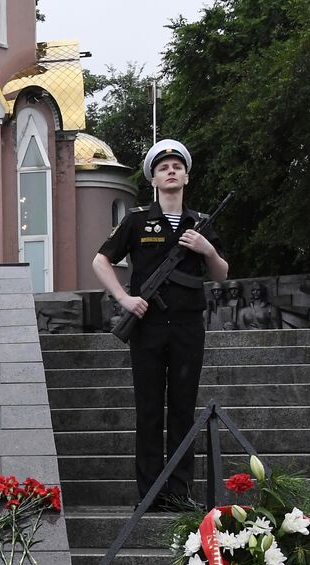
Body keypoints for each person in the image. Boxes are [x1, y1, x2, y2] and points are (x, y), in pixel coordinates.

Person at [92, 139, 229, 509]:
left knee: (183, 409)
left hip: (187, 326)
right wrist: (124, 298)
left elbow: (221, 273)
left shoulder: (199, 223)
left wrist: (207, 249)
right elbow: (100, 261)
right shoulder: (137, 220)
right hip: (148, 327)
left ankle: (180, 493)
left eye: (177, 166)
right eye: (163, 167)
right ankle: (150, 495)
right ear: (153, 177)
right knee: (150, 409)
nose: (171, 171)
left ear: (186, 175)